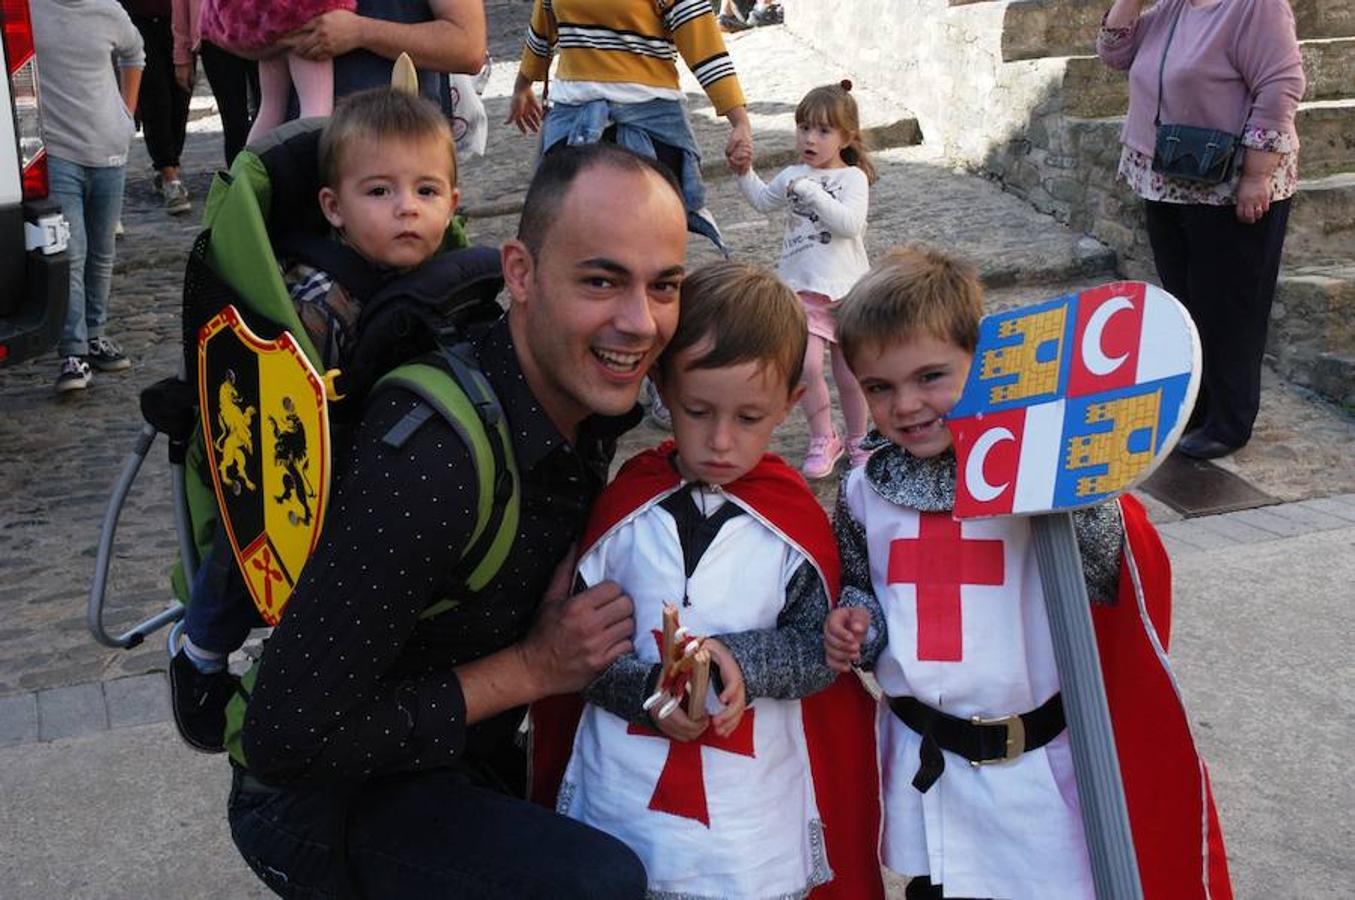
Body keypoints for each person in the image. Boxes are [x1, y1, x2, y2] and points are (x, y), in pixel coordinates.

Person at [226, 143, 689, 897]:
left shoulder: (576, 399)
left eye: (663, 286)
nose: (639, 323)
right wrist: (534, 669)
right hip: (320, 800)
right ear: (520, 272)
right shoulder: (432, 459)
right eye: (601, 280)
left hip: (453, 754)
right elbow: (282, 741)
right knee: (598, 883)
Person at [822, 246, 1232, 899]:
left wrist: (1068, 479)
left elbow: (1109, 578)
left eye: (930, 377)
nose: (905, 405)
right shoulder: (861, 491)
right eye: (878, 387)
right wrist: (856, 623)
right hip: (924, 765)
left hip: (1034, 769)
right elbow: (860, 587)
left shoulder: (1033, 470)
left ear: (979, 363)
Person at [531, 262, 883, 899]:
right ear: (662, 386)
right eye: (698, 411)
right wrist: (651, 692)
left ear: (790, 404)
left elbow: (817, 653)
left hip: (746, 816)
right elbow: (579, 651)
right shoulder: (625, 507)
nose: (721, 441)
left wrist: (734, 662)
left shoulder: (794, 523)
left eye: (749, 418)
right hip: (623, 790)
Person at [168, 85, 466, 754]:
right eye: (380, 193)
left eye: (426, 191)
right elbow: (274, 396)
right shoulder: (319, 297)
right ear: (333, 207)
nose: (407, 209)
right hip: (298, 466)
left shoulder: (455, 283)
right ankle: (202, 653)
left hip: (386, 466)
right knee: (247, 559)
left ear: (453, 202)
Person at [1096, 0, 1305, 459]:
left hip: (1229, 186)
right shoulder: (1174, 6)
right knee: (1186, 304)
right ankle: (1196, 407)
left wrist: (1257, 174)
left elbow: (1281, 85)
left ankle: (1229, 422)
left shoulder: (1257, 8)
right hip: (1167, 179)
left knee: (1229, 309)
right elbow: (1114, 55)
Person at [506, 0, 753, 253]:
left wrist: (739, 121)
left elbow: (704, 47)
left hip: (650, 130)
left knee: (646, 249)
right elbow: (542, 30)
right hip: (573, 128)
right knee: (571, 248)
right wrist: (522, 86)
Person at [730, 81, 874, 479]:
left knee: (850, 375)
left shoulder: (852, 180)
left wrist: (812, 192)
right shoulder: (793, 174)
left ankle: (859, 438)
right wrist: (744, 172)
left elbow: (848, 225)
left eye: (823, 131)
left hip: (847, 293)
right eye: (804, 128)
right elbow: (763, 200)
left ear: (846, 137)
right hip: (802, 291)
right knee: (808, 367)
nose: (810, 138)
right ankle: (822, 436)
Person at [32, 0, 144, 393]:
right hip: (58, 151)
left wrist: (126, 114)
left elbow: (135, 52)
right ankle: (73, 351)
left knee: (102, 252)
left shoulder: (108, 10)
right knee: (72, 252)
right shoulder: (29, 10)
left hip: (110, 150)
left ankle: (94, 334)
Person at [200, 0, 359, 144]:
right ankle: (305, 170)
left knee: (271, 108)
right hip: (306, 14)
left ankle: (250, 170)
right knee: (316, 109)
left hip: (267, 19)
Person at [120, 0, 194, 215]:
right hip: (136, 19)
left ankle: (171, 166)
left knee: (181, 96)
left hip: (179, 17)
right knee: (155, 97)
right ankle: (169, 173)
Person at [171, 0, 260, 168]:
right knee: (234, 121)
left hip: (262, 26)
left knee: (271, 112)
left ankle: (270, 179)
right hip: (215, 37)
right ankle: (238, 182)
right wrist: (182, 54)